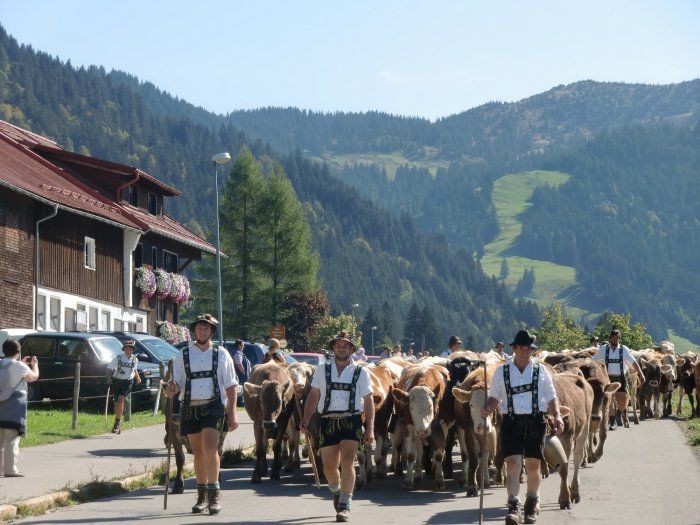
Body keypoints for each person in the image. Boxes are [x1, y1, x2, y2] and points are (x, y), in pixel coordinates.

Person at [481, 330, 564, 525]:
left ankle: (531, 502)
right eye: (521, 348)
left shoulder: (540, 371)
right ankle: (513, 507)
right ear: (514, 349)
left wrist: (557, 415)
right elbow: (495, 396)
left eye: (528, 348)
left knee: (533, 465)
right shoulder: (502, 371)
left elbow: (551, 396)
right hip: (511, 421)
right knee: (513, 463)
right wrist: (488, 408)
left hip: (535, 421)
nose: (525, 352)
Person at [166, 314, 239, 515]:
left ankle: (214, 495)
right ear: (194, 330)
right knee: (198, 452)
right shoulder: (183, 354)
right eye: (199, 328)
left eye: (206, 328)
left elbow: (231, 385)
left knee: (210, 448)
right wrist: (172, 388)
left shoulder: (222, 353)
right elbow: (178, 382)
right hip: (189, 407)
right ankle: (201, 495)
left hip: (213, 406)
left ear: (211, 331)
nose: (202, 331)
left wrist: (232, 412)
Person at [300, 331, 374, 522]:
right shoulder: (322, 369)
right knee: (329, 467)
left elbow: (368, 401)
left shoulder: (361, 372)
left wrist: (371, 428)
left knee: (348, 461)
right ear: (333, 348)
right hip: (328, 420)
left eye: (346, 346)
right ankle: (336, 489)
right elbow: (313, 395)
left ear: (351, 349)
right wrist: (306, 419)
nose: (341, 348)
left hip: (352, 420)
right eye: (338, 345)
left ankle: (345, 504)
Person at [592, 329, 645, 431]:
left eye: (617, 337)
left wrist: (641, 374)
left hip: (621, 377)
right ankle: (613, 421)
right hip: (608, 378)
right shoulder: (604, 349)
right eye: (614, 337)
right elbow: (593, 360)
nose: (616, 339)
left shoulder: (623, 349)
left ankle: (619, 413)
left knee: (624, 399)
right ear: (610, 338)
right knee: (609, 400)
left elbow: (634, 362)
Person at [0, 339, 39, 477]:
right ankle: (10, 470)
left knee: (0, 439)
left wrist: (20, 363)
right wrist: (34, 365)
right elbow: (33, 377)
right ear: (18, 352)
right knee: (12, 438)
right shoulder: (20, 367)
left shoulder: (1, 363)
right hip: (14, 406)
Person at [107, 339, 141, 434]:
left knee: (121, 399)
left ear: (133, 350)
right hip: (117, 381)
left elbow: (135, 369)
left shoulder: (135, 359)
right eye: (126, 348)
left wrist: (138, 378)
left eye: (130, 349)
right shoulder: (118, 358)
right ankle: (117, 419)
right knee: (117, 403)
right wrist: (109, 378)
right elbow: (109, 368)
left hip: (128, 382)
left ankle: (117, 423)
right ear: (124, 349)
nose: (128, 350)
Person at [230, 339, 251, 407]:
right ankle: (240, 402)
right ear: (239, 345)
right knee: (240, 388)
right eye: (242, 345)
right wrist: (245, 373)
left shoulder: (236, 352)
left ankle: (240, 402)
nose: (243, 347)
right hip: (240, 375)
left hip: (239, 374)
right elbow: (239, 364)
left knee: (240, 388)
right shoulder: (237, 352)